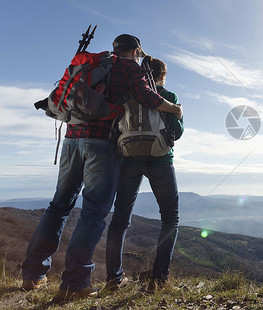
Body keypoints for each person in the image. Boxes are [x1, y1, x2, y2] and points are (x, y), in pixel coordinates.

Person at [21, 35, 183, 302]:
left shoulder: (90, 64)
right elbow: (147, 97)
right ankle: (74, 282)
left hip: (71, 140)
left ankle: (33, 275)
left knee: (59, 206)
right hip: (101, 144)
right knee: (94, 212)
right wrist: (174, 109)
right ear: (136, 51)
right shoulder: (128, 66)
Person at [106, 56, 183, 293]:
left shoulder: (128, 93)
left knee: (119, 220)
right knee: (170, 218)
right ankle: (159, 280)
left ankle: (113, 279)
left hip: (129, 159)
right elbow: (177, 132)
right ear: (162, 76)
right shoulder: (168, 97)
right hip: (160, 159)